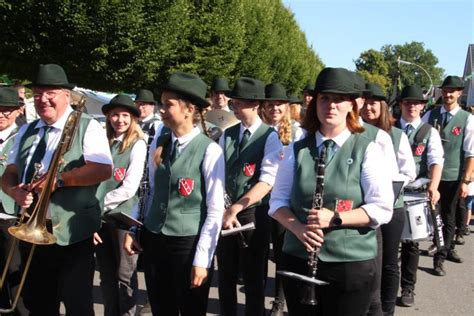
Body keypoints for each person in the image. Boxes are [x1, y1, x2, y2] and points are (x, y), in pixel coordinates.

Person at [270, 67, 394, 316]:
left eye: (339, 99)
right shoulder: (296, 150)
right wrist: (299, 229)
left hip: (350, 264)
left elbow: (382, 208)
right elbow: (277, 203)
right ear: (315, 102)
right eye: (324, 98)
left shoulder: (368, 149)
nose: (331, 105)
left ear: (351, 105)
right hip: (299, 258)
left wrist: (336, 218)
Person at [1, 64, 113, 315]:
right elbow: (9, 174)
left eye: (50, 93)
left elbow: (102, 169)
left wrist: (60, 180)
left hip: (72, 232)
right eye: (38, 93)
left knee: (77, 304)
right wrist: (13, 192)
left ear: (66, 95)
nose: (43, 99)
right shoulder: (27, 130)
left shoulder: (87, 125)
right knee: (37, 303)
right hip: (31, 228)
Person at [124, 72, 225, 315]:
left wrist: (202, 260)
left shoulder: (209, 149)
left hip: (187, 243)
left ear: (189, 109)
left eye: (168, 105)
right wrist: (135, 228)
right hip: (154, 237)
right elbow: (147, 189)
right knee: (161, 307)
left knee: (191, 308)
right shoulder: (160, 141)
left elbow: (214, 209)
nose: (161, 110)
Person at [217, 77, 283, 316]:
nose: (234, 106)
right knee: (226, 274)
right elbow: (219, 172)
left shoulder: (270, 136)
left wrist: (236, 208)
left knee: (254, 275)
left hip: (254, 212)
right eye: (233, 102)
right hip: (226, 210)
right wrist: (225, 207)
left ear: (255, 104)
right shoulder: (228, 133)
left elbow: (267, 181)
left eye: (240, 102)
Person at [360, 83, 416, 315]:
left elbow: (409, 171)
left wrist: (387, 184)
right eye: (366, 102)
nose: (369, 107)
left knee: (389, 263)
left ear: (382, 106)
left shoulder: (397, 135)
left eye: (374, 102)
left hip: (392, 207)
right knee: (368, 263)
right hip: (362, 209)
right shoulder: (355, 131)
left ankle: (388, 310)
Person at [94, 94, 146, 316]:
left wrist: (98, 204)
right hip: (101, 217)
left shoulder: (138, 144)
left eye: (125, 115)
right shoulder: (102, 142)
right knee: (106, 273)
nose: (119, 120)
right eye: (115, 114)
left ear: (133, 119)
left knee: (125, 274)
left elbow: (129, 187)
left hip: (123, 218)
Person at [394, 85, 444, 307]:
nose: (412, 106)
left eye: (416, 103)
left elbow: (436, 160)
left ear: (423, 106)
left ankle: (408, 287)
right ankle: (384, 287)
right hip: (390, 191)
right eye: (407, 102)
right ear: (401, 104)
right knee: (385, 243)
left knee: (411, 244)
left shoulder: (428, 132)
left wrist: (434, 185)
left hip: (415, 192)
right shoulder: (389, 128)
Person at [422, 75, 474, 276]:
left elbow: (470, 153)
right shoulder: (431, 114)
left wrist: (466, 180)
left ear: (460, 93)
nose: (448, 94)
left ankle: (441, 257)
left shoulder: (467, 119)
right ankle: (440, 244)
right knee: (434, 216)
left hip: (453, 175)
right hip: (433, 176)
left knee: (449, 216)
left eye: (452, 91)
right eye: (445, 91)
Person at [260, 83, 304, 315]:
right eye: (270, 104)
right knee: (266, 252)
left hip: (285, 202)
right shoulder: (263, 131)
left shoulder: (298, 131)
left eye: (279, 104)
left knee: (282, 252)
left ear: (287, 106)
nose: (274, 108)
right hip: (263, 199)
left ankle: (280, 298)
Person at [0, 87, 28, 315]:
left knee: (14, 272)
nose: (1, 115)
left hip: (11, 214)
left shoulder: (24, 137)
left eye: (7, 111)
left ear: (18, 111)